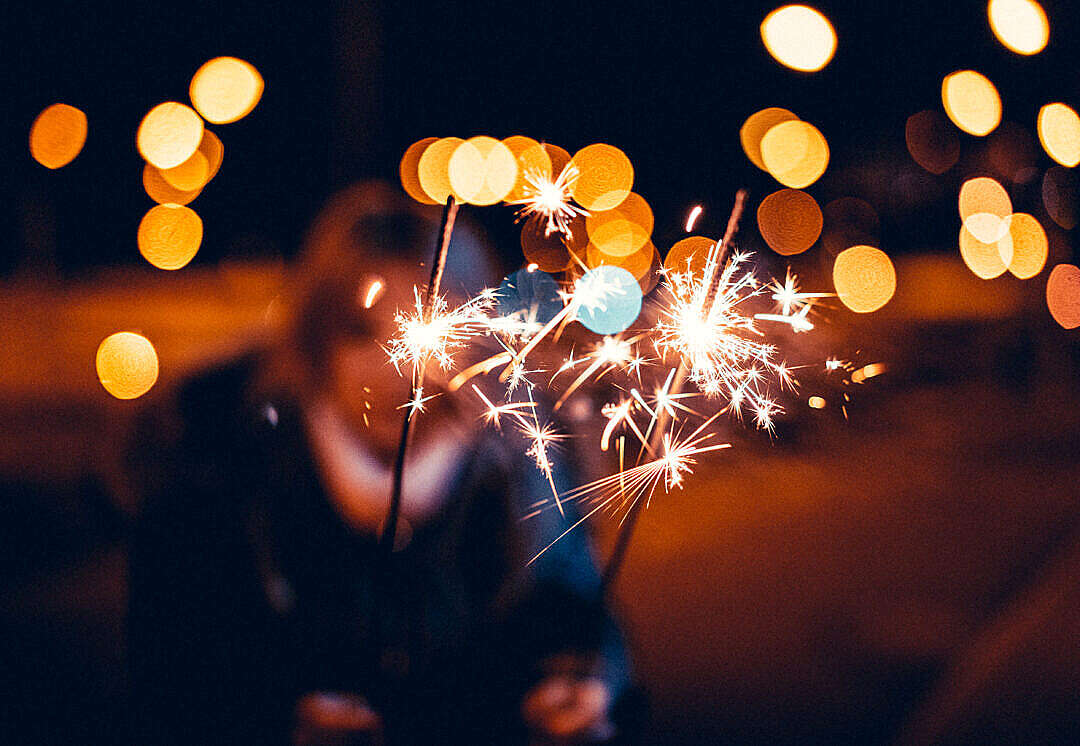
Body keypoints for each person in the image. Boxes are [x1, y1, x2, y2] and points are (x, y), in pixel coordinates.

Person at [127, 182, 635, 744]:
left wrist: (588, 692)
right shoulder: (220, 472)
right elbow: (165, 678)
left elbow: (581, 624)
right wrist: (265, 721)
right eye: (361, 332)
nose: (396, 372)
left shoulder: (525, 468)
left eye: (424, 336)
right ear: (314, 338)